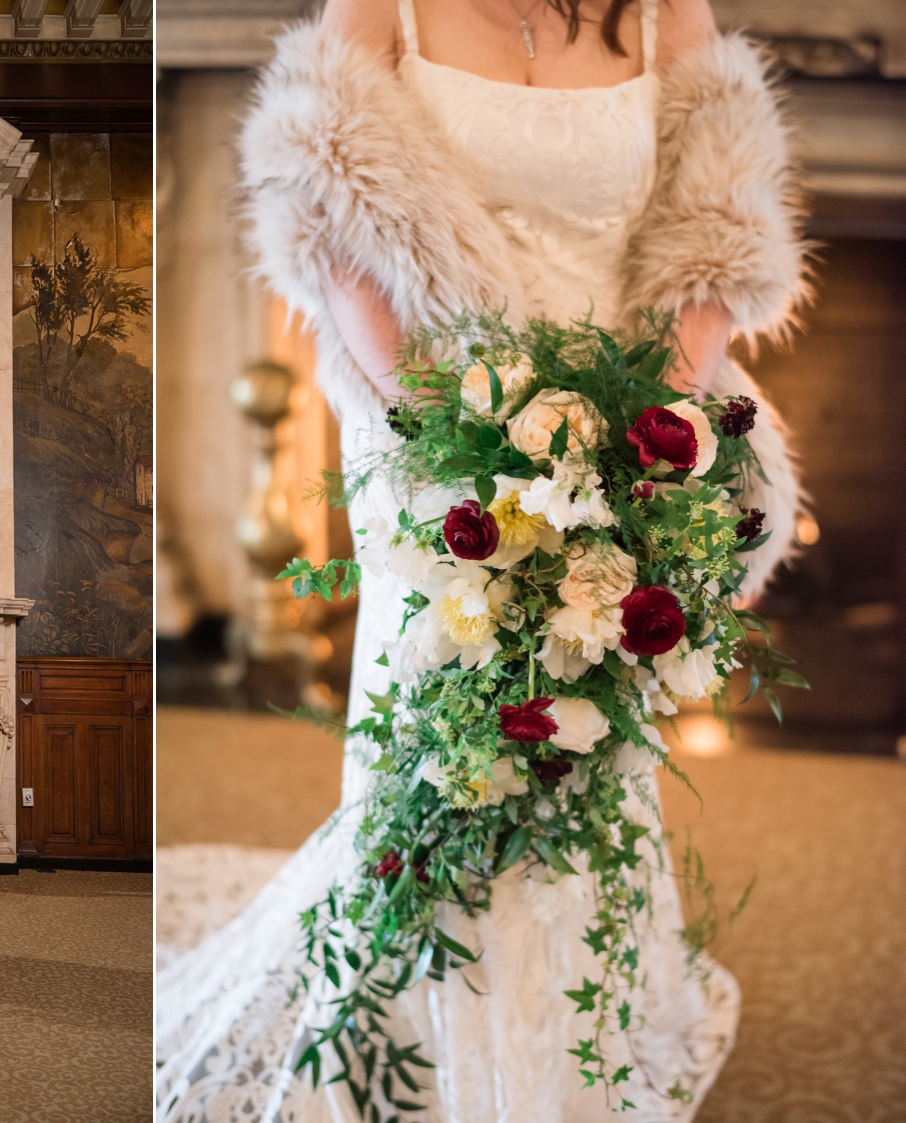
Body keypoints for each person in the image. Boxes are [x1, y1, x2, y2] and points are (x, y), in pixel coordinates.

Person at [156, 1, 806, 1120]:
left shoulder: (666, 14)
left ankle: (573, 1035)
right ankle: (417, 1044)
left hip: (623, 431)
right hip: (435, 439)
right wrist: (462, 444)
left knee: (590, 722)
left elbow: (718, 230)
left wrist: (644, 430)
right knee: (446, 729)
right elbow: (325, 220)